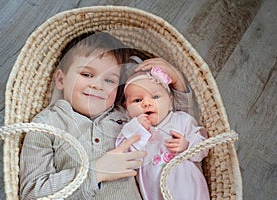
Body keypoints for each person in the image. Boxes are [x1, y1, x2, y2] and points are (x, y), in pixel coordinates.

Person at [19, 32, 191, 199]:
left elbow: (173, 121)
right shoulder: (46, 125)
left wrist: (177, 81)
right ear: (61, 80)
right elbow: (32, 192)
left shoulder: (126, 116)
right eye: (87, 74)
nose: (97, 85)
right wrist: (96, 172)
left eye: (109, 80)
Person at [116, 66, 210, 200]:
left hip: (191, 190)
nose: (147, 103)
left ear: (170, 101)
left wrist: (187, 145)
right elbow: (123, 158)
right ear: (127, 109)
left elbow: (204, 147)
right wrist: (139, 130)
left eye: (155, 97)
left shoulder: (181, 120)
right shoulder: (131, 130)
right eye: (137, 100)